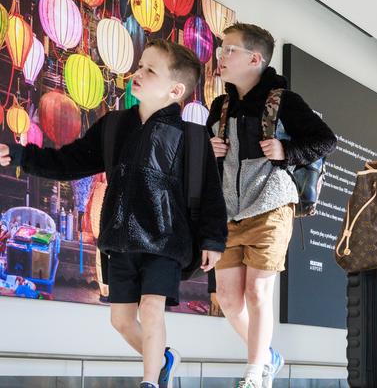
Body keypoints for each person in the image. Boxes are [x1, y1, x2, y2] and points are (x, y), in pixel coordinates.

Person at [0, 39, 228, 388]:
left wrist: (213, 239)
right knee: (121, 320)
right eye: (140, 66)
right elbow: (69, 162)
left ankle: (150, 383)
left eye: (150, 70)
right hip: (120, 239)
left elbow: (212, 196)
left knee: (151, 308)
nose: (138, 73)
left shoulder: (192, 138)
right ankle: (164, 359)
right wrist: (20, 156)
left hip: (166, 241)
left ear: (175, 90)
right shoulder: (113, 126)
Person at [206, 23, 336, 388]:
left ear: (254, 59)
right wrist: (208, 147)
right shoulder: (221, 105)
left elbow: (325, 140)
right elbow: (208, 156)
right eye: (221, 50)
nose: (221, 57)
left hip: (271, 203)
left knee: (257, 292)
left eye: (229, 50)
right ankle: (268, 357)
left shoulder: (284, 101)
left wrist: (287, 152)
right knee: (229, 300)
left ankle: (254, 373)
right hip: (230, 210)